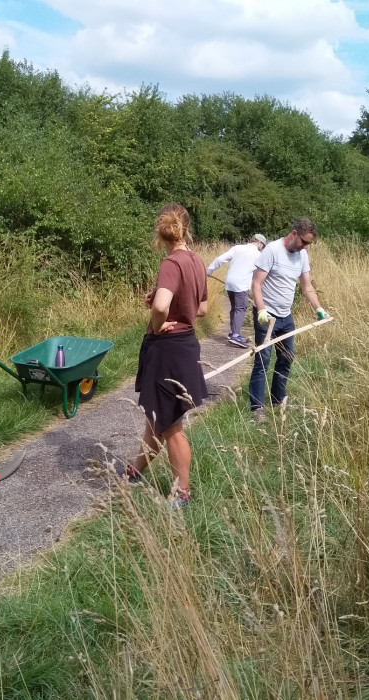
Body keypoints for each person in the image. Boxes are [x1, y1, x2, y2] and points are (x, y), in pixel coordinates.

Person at [123, 203, 208, 508]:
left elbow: (161, 307)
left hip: (167, 349)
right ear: (186, 228)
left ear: (161, 231)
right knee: (156, 419)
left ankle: (181, 494)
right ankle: (135, 472)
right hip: (186, 345)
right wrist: (163, 302)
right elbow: (201, 309)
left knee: (170, 426)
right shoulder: (197, 262)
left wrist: (158, 325)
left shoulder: (171, 263)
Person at [249, 217, 329, 422]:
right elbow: (256, 284)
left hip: (286, 316)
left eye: (309, 243)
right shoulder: (272, 250)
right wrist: (261, 310)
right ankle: (256, 407)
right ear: (294, 234)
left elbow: (307, 287)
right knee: (263, 360)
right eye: (304, 241)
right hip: (267, 317)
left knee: (286, 357)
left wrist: (319, 308)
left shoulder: (302, 255)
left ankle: (277, 398)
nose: (305, 246)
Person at [206, 233, 267, 348]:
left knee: (234, 308)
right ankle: (235, 335)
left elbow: (220, 259)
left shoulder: (237, 248)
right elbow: (258, 275)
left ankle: (233, 332)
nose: (262, 249)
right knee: (240, 309)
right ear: (259, 243)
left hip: (230, 283)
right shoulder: (258, 255)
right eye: (262, 246)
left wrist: (210, 270)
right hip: (241, 285)